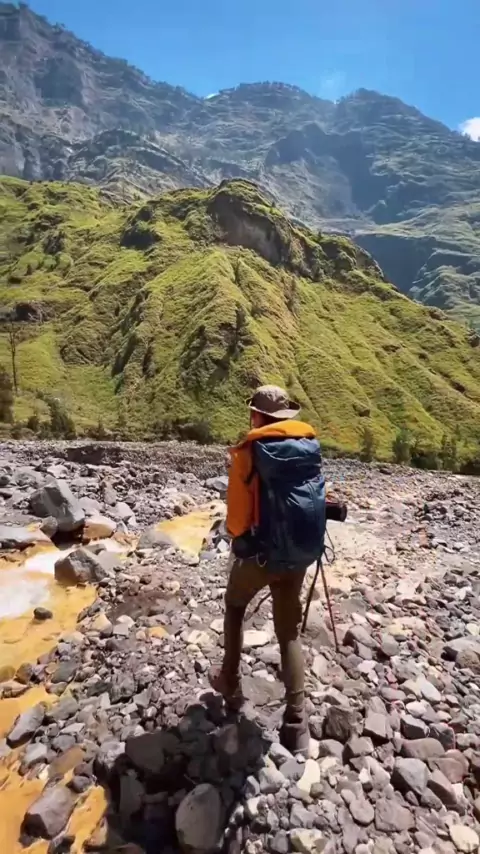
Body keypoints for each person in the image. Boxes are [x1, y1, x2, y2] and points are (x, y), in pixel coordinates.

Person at [209, 385, 325, 756]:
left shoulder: (250, 451)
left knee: (234, 606)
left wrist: (236, 536)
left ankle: (230, 684)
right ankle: (296, 722)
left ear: (257, 416)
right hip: (299, 553)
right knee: (288, 632)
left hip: (261, 556)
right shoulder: (308, 445)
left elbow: (237, 521)